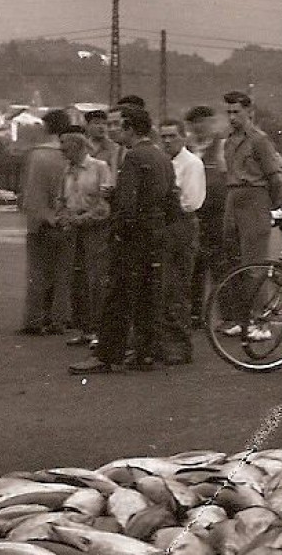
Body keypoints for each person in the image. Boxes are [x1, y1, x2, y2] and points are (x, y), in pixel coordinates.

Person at [71, 106, 178, 374]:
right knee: (147, 297)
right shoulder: (162, 157)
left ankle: (106, 355)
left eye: (119, 125)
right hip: (156, 234)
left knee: (117, 297)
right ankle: (145, 355)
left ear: (130, 129)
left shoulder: (132, 158)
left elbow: (128, 205)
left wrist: (115, 215)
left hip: (132, 237)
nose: (114, 129)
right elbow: (172, 202)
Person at [217, 91, 282, 337]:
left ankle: (261, 323)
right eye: (229, 112)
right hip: (233, 197)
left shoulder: (259, 140)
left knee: (255, 264)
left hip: (255, 198)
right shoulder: (229, 140)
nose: (232, 117)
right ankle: (241, 319)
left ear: (249, 112)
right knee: (233, 261)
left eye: (237, 112)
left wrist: (271, 206)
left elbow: (276, 178)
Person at [18, 109, 73, 335]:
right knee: (63, 274)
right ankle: (58, 319)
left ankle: (34, 319)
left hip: (39, 222)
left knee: (37, 272)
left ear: (47, 127)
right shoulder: (70, 153)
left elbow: (29, 194)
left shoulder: (36, 155)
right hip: (66, 220)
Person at [58, 130, 112, 349]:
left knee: (96, 280)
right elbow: (62, 199)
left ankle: (99, 330)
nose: (63, 152)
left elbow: (104, 203)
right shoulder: (67, 171)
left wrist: (83, 219)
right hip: (74, 230)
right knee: (77, 280)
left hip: (95, 231)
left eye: (67, 148)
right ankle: (85, 329)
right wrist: (64, 217)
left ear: (79, 147)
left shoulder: (99, 168)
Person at [159, 119, 206, 365]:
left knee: (177, 285)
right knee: (163, 286)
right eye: (163, 136)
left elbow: (191, 202)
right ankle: (163, 342)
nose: (167, 141)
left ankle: (180, 345)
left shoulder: (192, 164)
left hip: (182, 225)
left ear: (182, 137)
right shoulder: (162, 161)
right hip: (165, 225)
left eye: (171, 136)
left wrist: (169, 198)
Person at [186, 104, 226, 325]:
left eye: (204, 121)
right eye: (196, 123)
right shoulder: (188, 148)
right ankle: (194, 315)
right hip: (194, 213)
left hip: (217, 214)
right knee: (194, 265)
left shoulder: (221, 146)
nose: (200, 126)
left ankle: (225, 317)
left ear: (212, 122)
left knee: (219, 265)